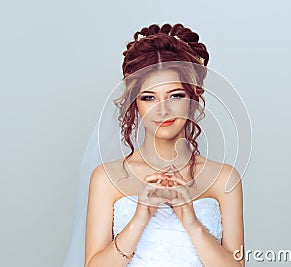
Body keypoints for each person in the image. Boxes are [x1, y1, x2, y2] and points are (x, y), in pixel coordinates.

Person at [64, 23, 245, 267]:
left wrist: (191, 221)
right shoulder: (106, 179)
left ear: (192, 99)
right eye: (149, 97)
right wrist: (140, 217)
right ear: (134, 104)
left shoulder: (224, 178)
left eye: (175, 95)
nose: (162, 110)